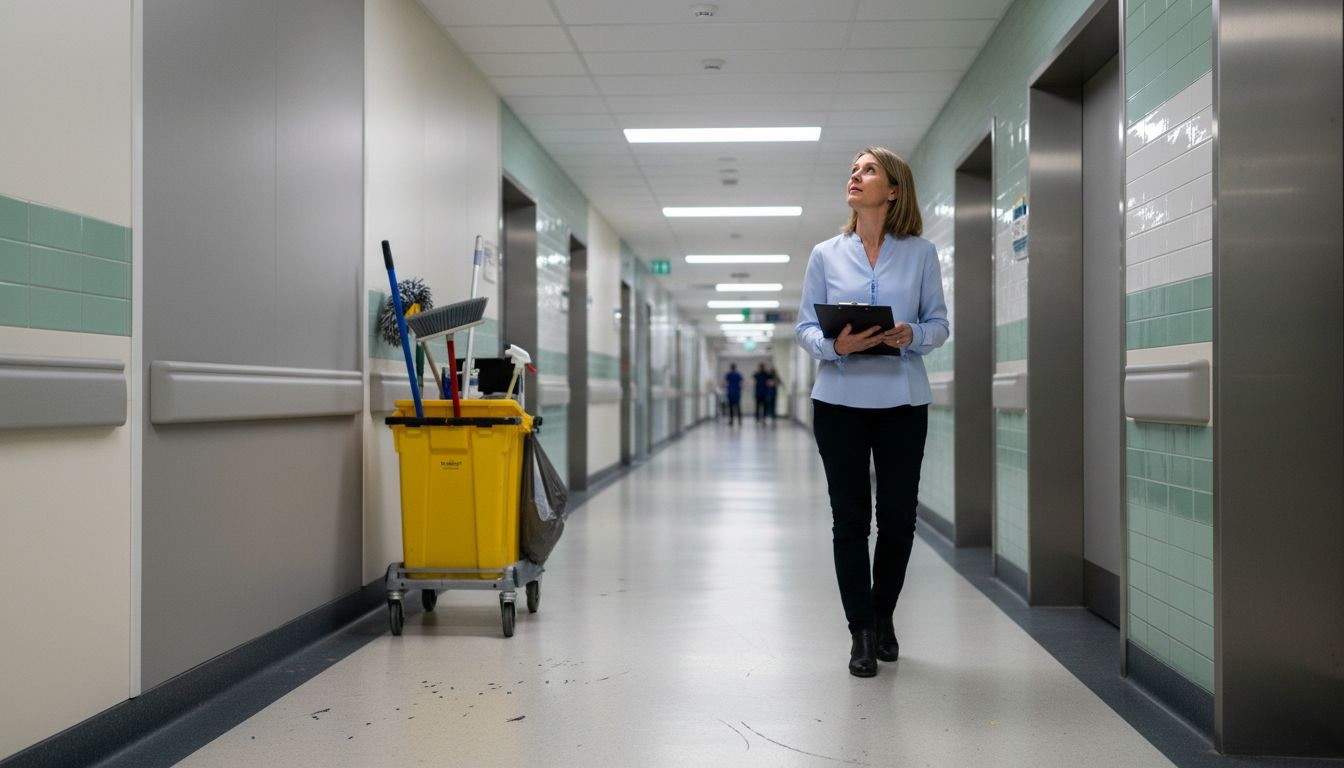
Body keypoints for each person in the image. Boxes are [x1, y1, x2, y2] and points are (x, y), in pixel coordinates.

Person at [795, 147, 949, 678]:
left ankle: (884, 615)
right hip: (838, 403)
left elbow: (939, 324)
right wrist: (837, 348)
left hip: (903, 402)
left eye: (868, 170)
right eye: (853, 169)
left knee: (900, 520)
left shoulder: (921, 253)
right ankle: (860, 631)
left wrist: (912, 335)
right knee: (851, 520)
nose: (855, 176)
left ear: (893, 190)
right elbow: (804, 328)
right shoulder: (825, 254)